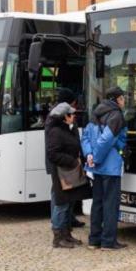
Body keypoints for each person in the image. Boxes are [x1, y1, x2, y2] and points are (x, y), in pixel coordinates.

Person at [82, 86, 128, 250]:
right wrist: (97, 158)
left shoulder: (95, 114)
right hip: (110, 166)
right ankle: (108, 241)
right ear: (116, 99)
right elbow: (106, 140)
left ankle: (94, 239)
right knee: (110, 204)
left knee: (98, 203)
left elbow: (86, 137)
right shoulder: (116, 116)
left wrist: (89, 155)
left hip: (96, 168)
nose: (124, 101)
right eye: (122, 98)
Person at [45, 102, 89, 248]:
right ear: (65, 117)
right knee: (61, 203)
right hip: (62, 173)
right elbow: (52, 154)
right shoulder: (56, 131)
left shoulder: (68, 129)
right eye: (72, 114)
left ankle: (66, 234)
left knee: (69, 203)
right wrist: (72, 162)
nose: (74, 116)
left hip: (70, 171)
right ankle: (58, 237)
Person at [56, 87, 86, 229]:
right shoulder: (58, 118)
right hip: (63, 165)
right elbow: (54, 149)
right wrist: (73, 161)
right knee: (60, 199)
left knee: (67, 198)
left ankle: (67, 225)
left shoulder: (62, 116)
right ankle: (60, 229)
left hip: (67, 163)